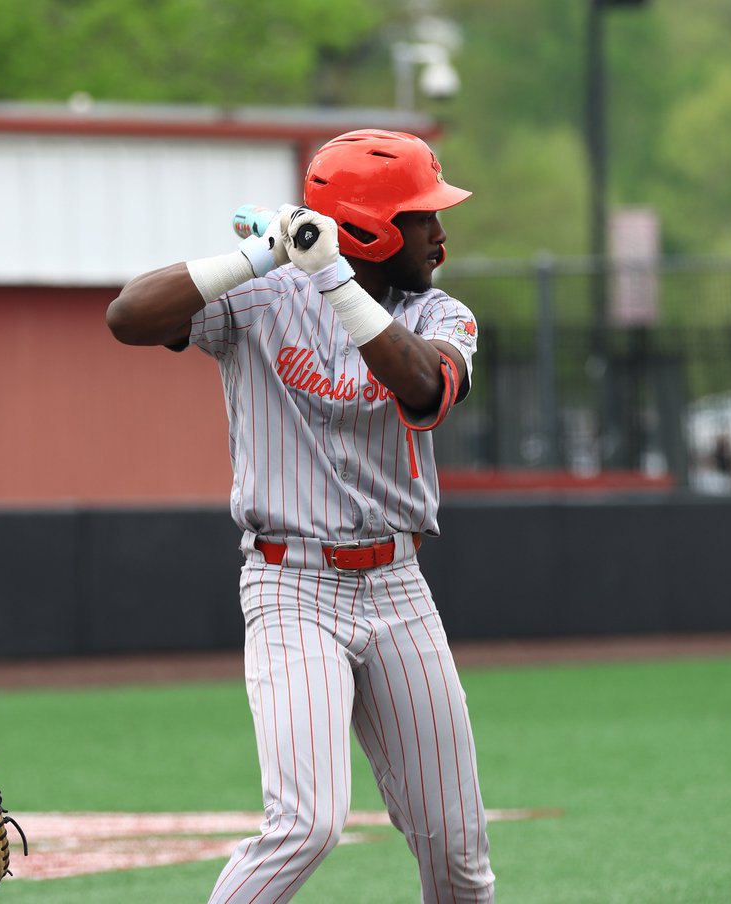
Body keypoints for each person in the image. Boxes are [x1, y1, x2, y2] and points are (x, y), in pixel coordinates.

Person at [107, 129, 495, 903]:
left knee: (457, 854)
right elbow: (127, 317)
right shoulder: (262, 297)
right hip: (291, 587)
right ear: (374, 227)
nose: (441, 233)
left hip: (398, 589)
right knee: (307, 822)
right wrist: (259, 259)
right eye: (423, 217)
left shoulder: (444, 314)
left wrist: (333, 277)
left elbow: (422, 388)